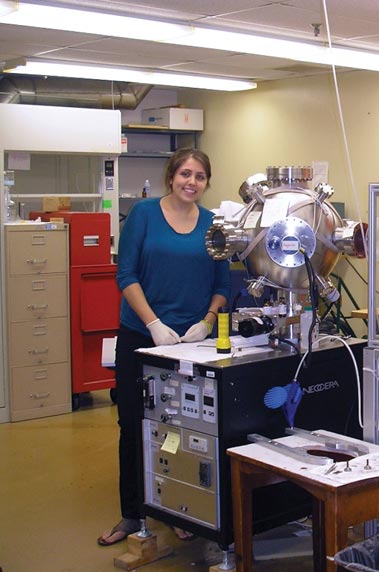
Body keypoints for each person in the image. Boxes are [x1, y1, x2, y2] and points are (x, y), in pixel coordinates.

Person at [98, 148, 231, 546]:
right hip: (141, 337)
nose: (192, 182)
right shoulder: (143, 215)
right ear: (171, 176)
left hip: (190, 344)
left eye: (200, 176)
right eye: (185, 174)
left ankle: (176, 508)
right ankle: (132, 512)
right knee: (133, 424)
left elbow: (221, 286)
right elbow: (126, 274)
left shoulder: (213, 225)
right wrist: (152, 323)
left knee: (186, 426)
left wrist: (207, 321)